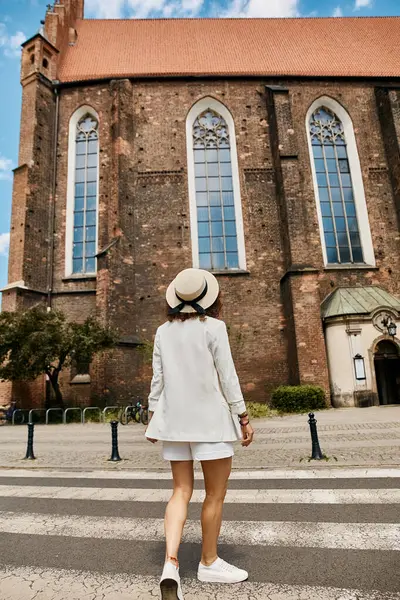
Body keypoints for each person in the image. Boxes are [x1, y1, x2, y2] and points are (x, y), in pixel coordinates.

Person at [145, 267, 254, 600]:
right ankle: (208, 562)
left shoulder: (163, 332)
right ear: (210, 296)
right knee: (214, 495)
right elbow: (228, 375)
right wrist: (243, 416)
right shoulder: (215, 328)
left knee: (180, 491)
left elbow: (158, 379)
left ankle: (170, 563)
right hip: (210, 422)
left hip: (175, 423)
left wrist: (152, 415)